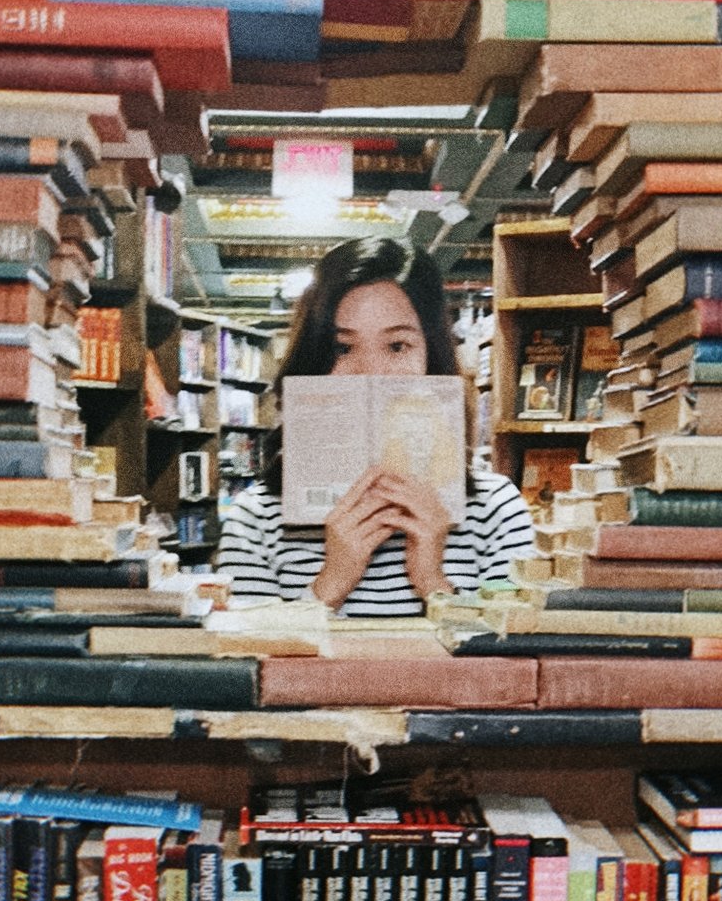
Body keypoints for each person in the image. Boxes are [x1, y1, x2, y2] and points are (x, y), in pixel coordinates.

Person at [214, 236, 538, 616]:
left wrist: (433, 583)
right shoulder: (256, 516)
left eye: (398, 346)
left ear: (432, 358)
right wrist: (331, 583)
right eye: (343, 348)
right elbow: (246, 666)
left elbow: (514, 669)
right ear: (314, 362)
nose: (371, 372)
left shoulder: (496, 507)